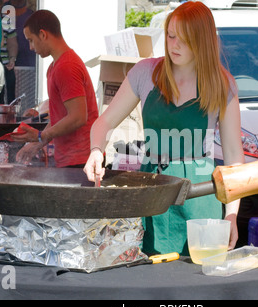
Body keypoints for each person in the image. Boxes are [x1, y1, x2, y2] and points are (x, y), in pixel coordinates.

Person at [84, 1, 244, 255]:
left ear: (202, 40)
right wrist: (95, 151)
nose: (174, 45)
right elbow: (105, 122)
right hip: (152, 190)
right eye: (170, 36)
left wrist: (232, 214)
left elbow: (235, 156)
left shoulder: (222, 84)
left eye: (184, 39)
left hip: (201, 194)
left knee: (199, 278)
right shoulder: (145, 73)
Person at [12, 10, 98, 168]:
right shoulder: (54, 67)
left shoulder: (67, 66)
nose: (30, 47)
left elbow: (78, 117)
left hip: (81, 159)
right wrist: (37, 142)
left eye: (31, 40)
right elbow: (60, 116)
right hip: (70, 157)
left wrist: (41, 135)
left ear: (43, 35)